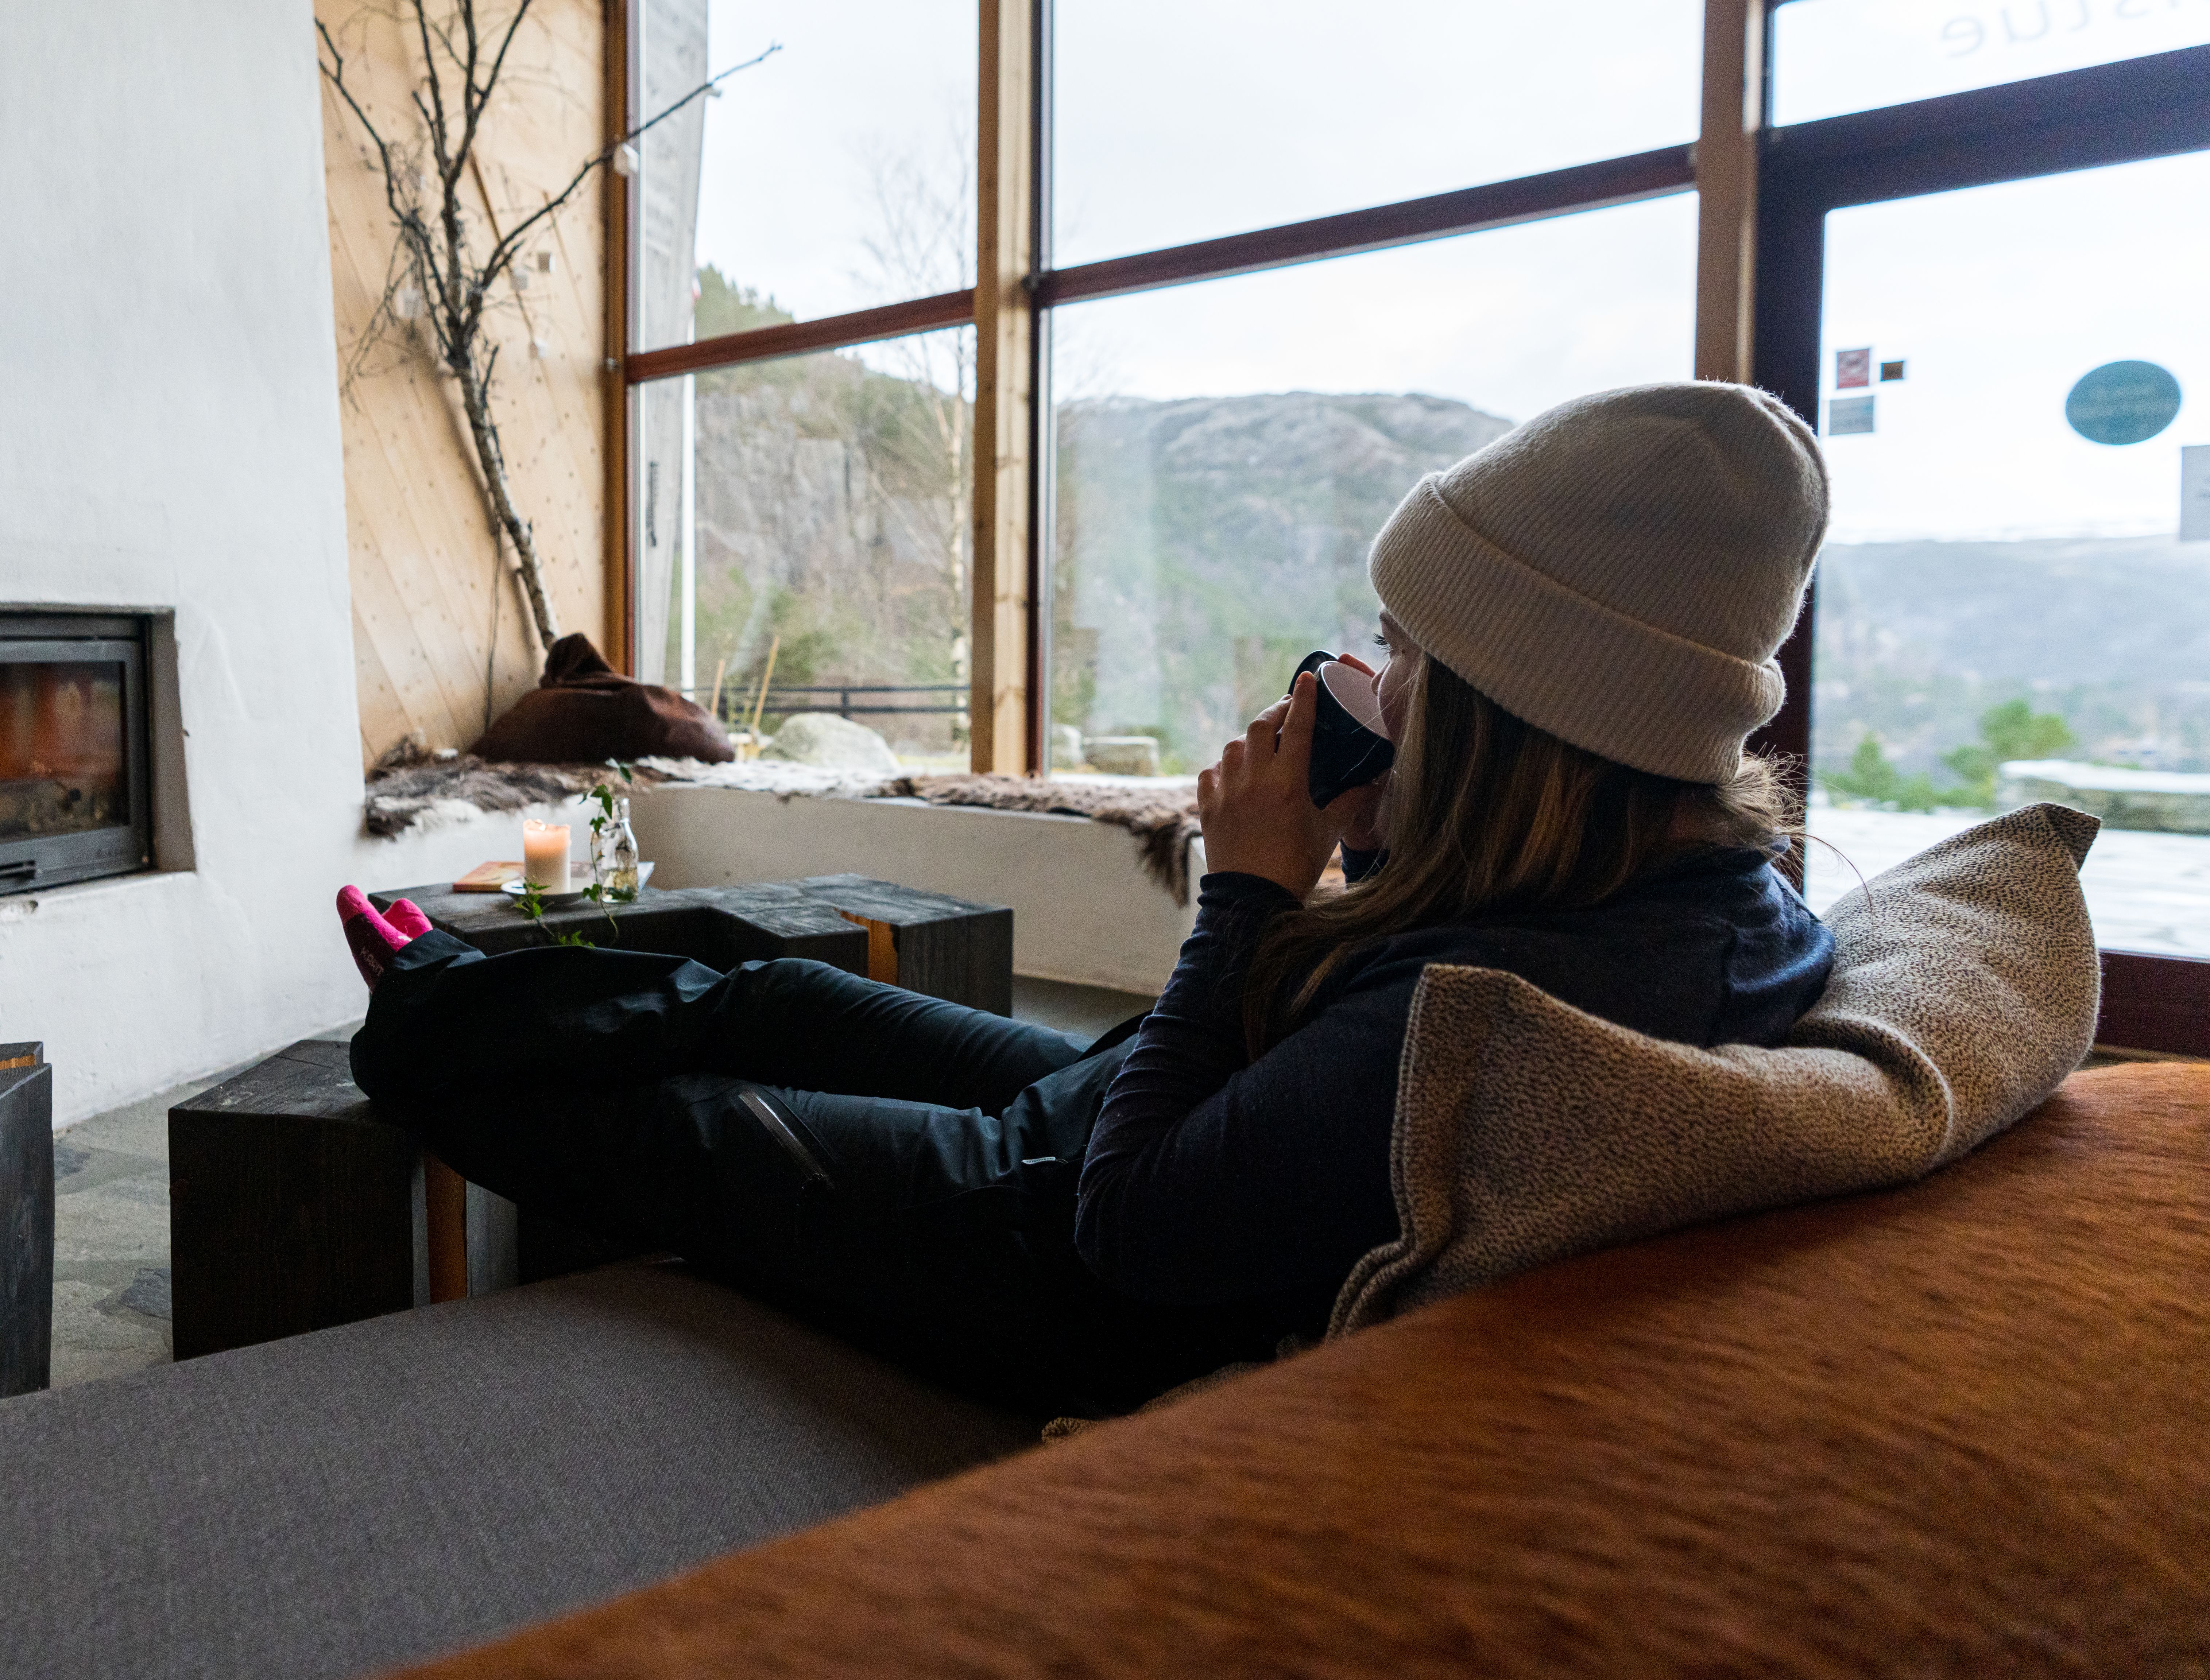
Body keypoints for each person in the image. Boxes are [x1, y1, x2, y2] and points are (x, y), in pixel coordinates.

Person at [338, 381, 1836, 1417]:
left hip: (1050, 1248)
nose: (1365, 679)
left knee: (669, 1121)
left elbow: (1127, 1230)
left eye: (1400, 651)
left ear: (1512, 711)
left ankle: (416, 1019)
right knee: (770, 986)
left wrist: (1245, 894)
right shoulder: (1663, 885)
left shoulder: (1503, 1019)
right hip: (1100, 1111)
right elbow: (1385, 1012)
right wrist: (1378, 838)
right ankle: (453, 987)